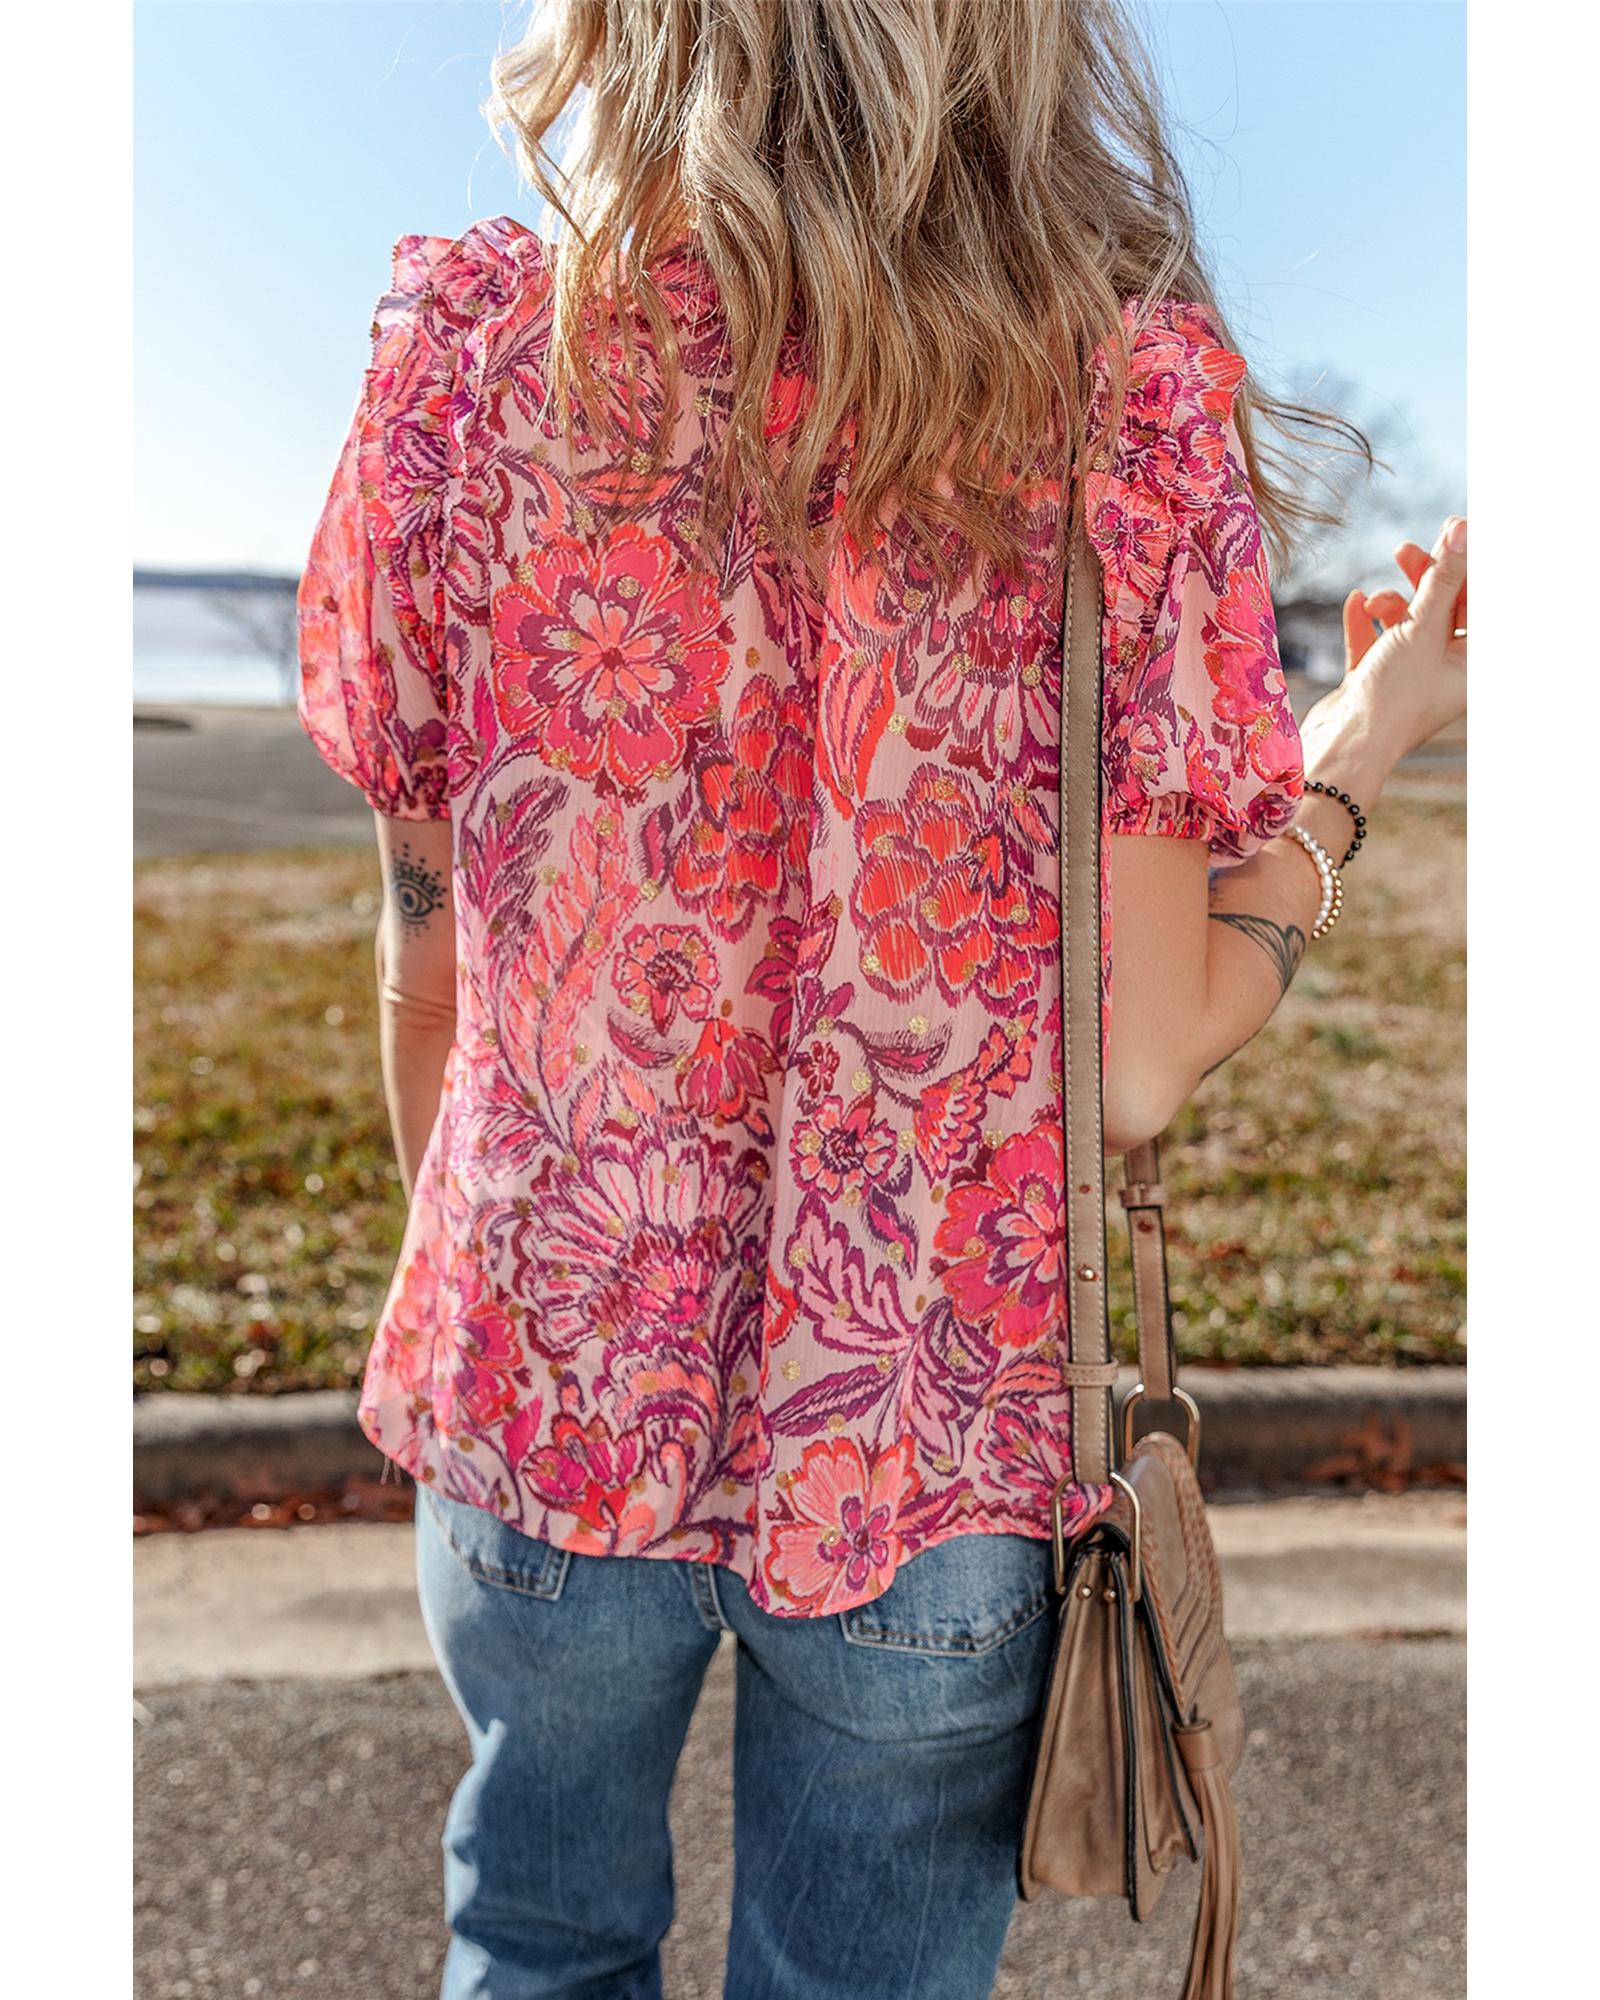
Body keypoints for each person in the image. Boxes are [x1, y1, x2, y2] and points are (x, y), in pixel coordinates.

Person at [295, 4, 1467, 1994]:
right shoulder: (1117, 403)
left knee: (533, 1940)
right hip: (927, 1453)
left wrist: (500, 1308)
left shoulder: (468, 358)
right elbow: (1139, 1061)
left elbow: (435, 955)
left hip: (538, 1382)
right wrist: (1361, 748)